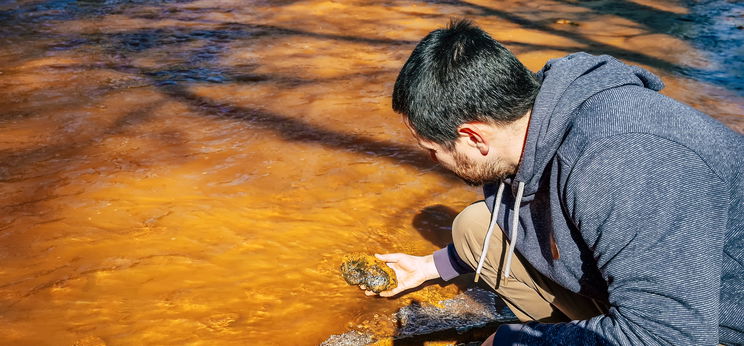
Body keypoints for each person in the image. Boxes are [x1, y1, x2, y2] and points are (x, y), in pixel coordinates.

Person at [367, 19, 743, 345]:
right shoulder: (532, 121)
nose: (433, 161)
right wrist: (429, 268)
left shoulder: (623, 159)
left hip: (713, 329)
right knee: (476, 227)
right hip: (666, 305)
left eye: (433, 150)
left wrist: (514, 342)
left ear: (474, 136)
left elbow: (671, 336)